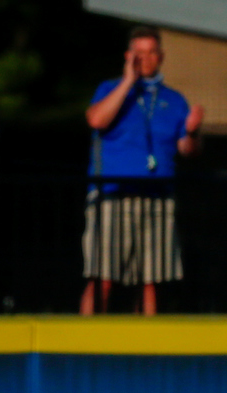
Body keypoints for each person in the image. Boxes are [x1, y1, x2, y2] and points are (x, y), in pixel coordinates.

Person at [81, 26, 204, 316]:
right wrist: (128, 82)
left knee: (152, 281)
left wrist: (194, 133)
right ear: (128, 56)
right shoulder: (110, 88)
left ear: (161, 57)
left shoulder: (174, 100)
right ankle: (84, 343)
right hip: (111, 198)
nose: (145, 59)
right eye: (139, 53)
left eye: (151, 53)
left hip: (157, 199)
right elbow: (96, 120)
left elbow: (188, 149)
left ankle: (149, 348)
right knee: (103, 277)